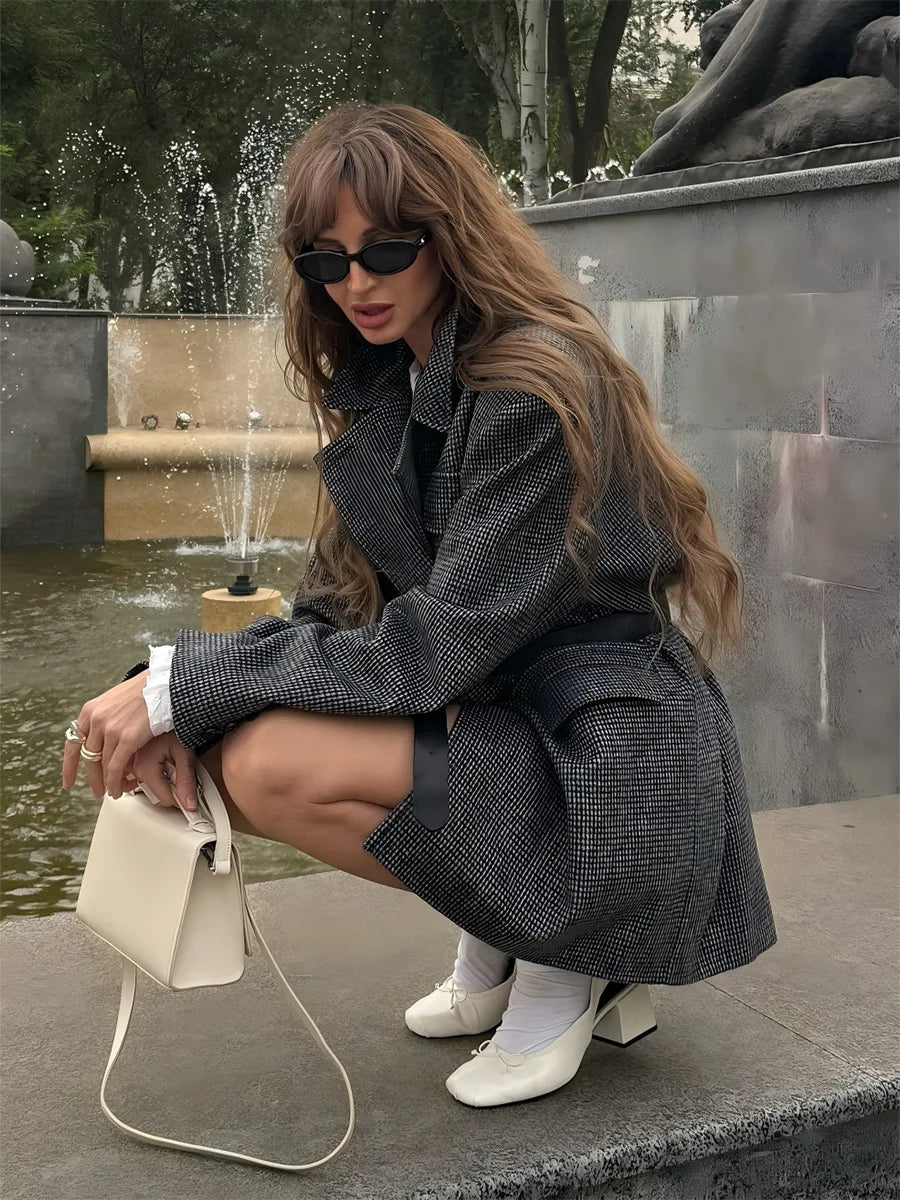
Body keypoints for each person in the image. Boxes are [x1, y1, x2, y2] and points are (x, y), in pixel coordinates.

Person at [62, 101, 776, 1109]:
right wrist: (167, 685)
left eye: (386, 248)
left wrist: (182, 691)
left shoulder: (535, 384)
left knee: (269, 761)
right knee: (250, 754)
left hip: (613, 760)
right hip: (513, 721)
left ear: (449, 234)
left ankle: (570, 957)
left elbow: (429, 650)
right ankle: (507, 922)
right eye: (324, 260)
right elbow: (331, 616)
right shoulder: (388, 390)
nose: (356, 282)